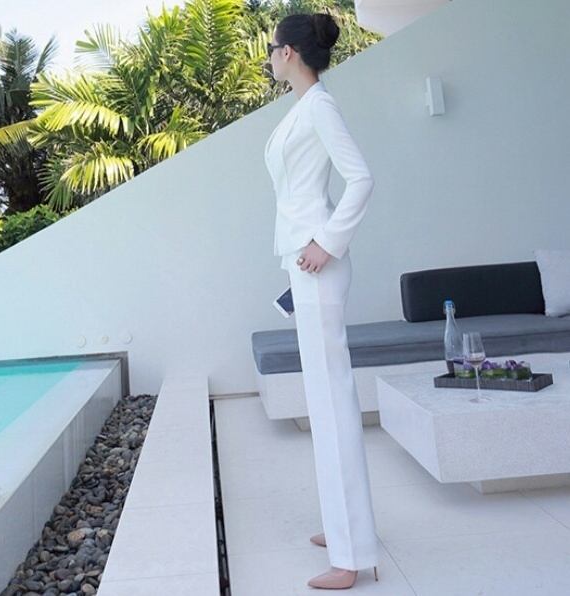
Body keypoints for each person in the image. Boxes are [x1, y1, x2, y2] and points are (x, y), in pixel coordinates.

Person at [263, 12, 380, 591]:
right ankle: (341, 530)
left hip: (318, 266)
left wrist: (327, 243)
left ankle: (351, 555)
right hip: (303, 264)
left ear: (289, 52)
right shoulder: (303, 108)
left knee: (333, 405)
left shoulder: (320, 108)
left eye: (271, 47)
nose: (268, 56)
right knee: (322, 402)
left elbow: (361, 179)